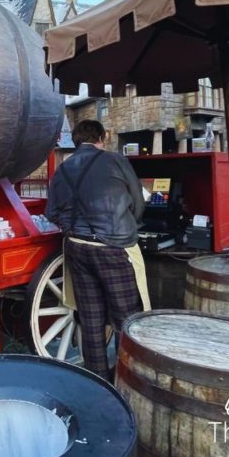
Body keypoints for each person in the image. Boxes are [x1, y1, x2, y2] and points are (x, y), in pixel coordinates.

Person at [46, 120, 146, 380]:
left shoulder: (63, 168)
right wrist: (126, 225)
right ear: (101, 137)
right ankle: (128, 378)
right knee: (127, 317)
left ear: (77, 141)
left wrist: (72, 227)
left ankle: (98, 379)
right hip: (114, 247)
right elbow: (138, 203)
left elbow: (51, 212)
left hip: (77, 247)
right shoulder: (115, 161)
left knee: (90, 319)